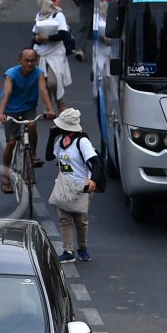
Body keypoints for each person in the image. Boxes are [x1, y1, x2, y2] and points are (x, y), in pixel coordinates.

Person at [0, 49, 57, 194]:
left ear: (35, 61)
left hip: (29, 106)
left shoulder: (39, 73)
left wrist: (50, 110)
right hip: (11, 109)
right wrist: (1, 113)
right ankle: (5, 176)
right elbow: (8, 92)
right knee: (11, 142)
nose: (29, 63)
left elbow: (43, 91)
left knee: (32, 125)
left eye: (32, 60)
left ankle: (33, 155)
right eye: (26, 60)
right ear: (20, 61)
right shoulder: (11, 73)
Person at [47, 107, 102, 262]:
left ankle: (82, 248)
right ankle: (68, 251)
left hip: (81, 186)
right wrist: (52, 136)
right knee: (64, 219)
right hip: (64, 185)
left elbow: (95, 162)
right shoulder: (61, 142)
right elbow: (49, 157)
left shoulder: (82, 142)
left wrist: (93, 181)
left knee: (81, 219)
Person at [31, 0, 72, 111]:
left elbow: (64, 35)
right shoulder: (39, 15)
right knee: (43, 81)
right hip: (41, 53)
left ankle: (60, 102)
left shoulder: (58, 15)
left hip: (55, 53)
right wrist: (36, 41)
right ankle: (48, 108)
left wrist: (48, 38)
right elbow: (34, 34)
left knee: (53, 82)